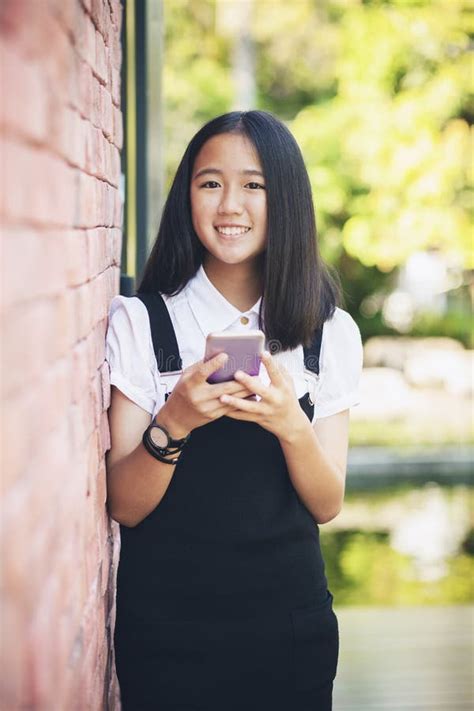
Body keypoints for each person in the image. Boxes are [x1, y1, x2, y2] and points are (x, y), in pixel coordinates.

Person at [105, 110, 363, 711]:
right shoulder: (142, 323)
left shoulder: (328, 334)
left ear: (287, 201)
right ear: (186, 196)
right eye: (210, 183)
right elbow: (124, 505)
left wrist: (287, 423)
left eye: (255, 185)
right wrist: (177, 420)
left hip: (290, 631)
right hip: (166, 633)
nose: (230, 206)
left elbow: (327, 504)